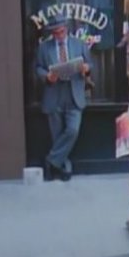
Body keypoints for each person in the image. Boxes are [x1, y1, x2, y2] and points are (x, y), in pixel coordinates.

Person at [35, 16, 92, 181]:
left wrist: (86, 69)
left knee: (72, 130)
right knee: (57, 134)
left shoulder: (78, 44)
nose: (59, 35)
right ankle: (63, 168)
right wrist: (47, 76)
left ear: (66, 29)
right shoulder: (44, 48)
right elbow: (38, 68)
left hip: (74, 91)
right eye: (55, 33)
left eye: (61, 32)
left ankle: (50, 161)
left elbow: (90, 65)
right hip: (54, 93)